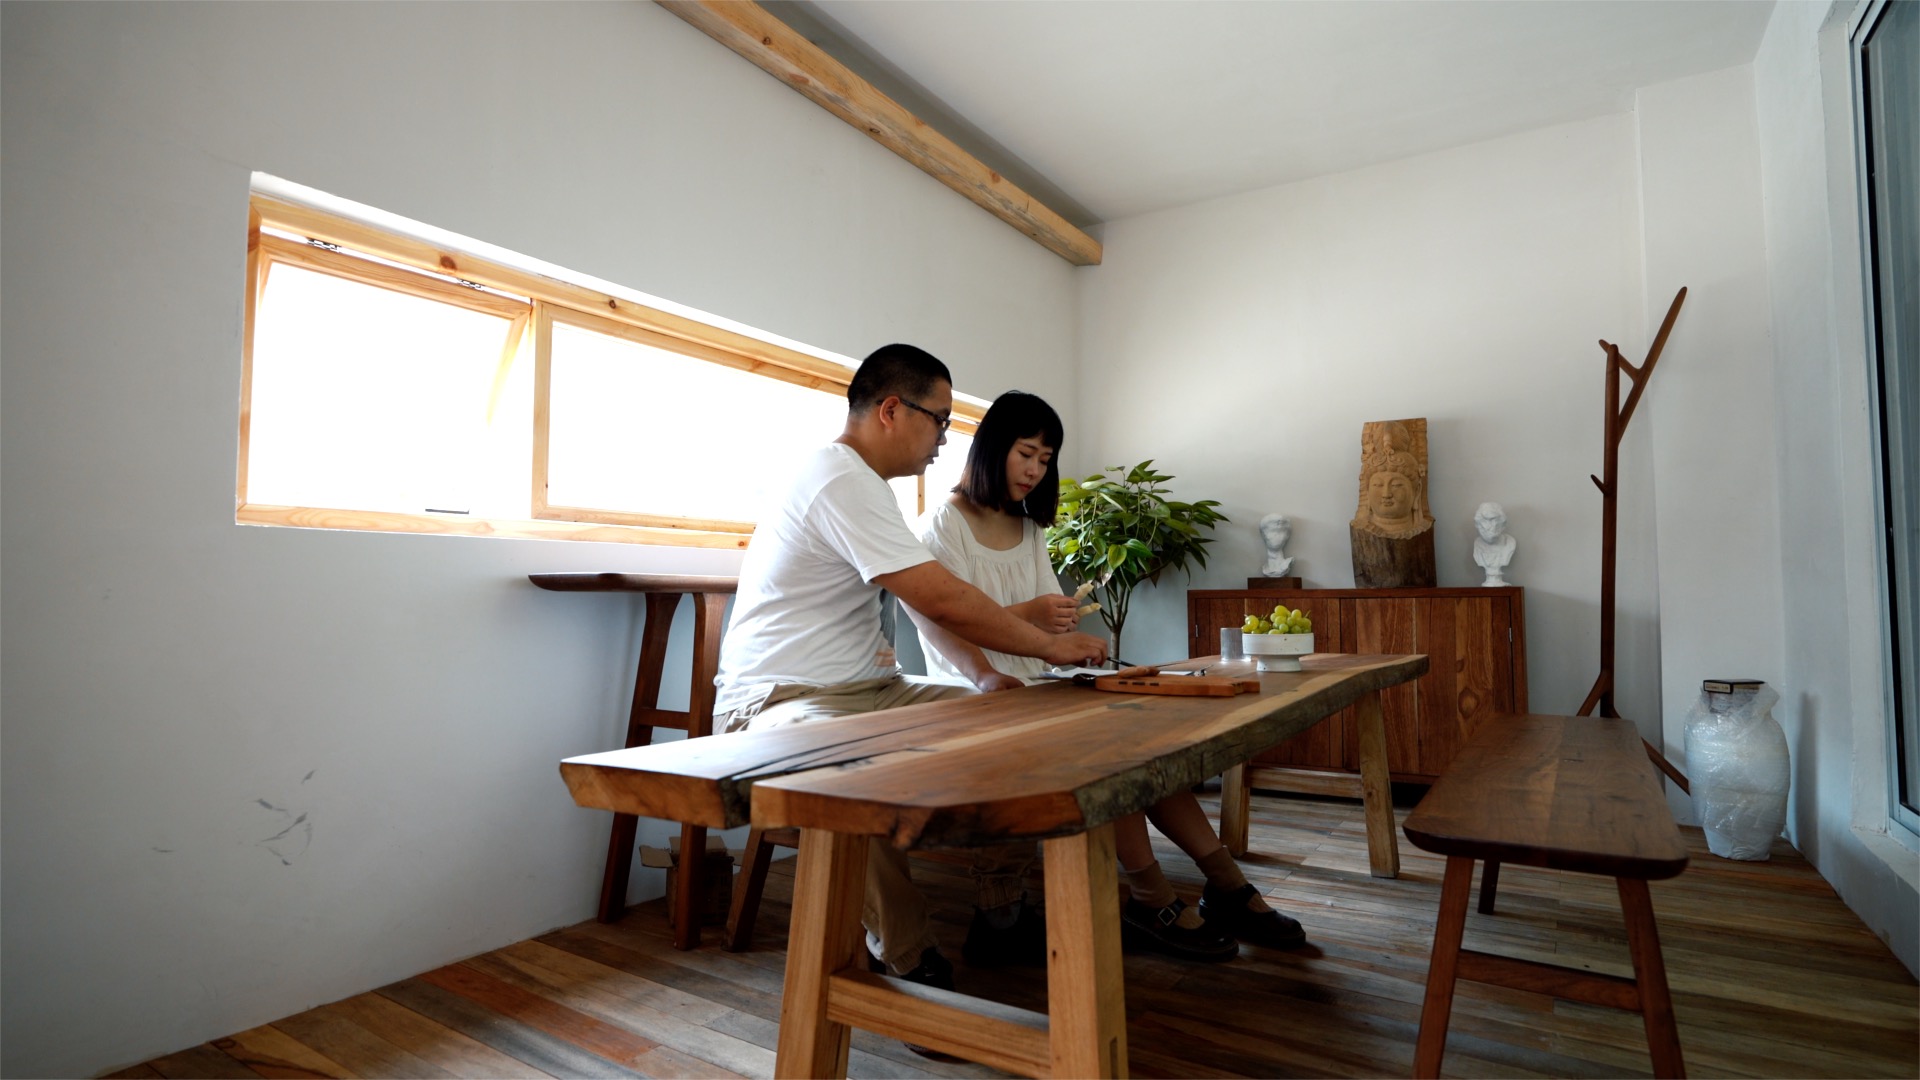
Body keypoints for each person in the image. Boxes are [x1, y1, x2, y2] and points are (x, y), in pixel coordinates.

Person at [714, 346, 1109, 1010]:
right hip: (778, 697)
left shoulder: (866, 487)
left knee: (1017, 718)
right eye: (940, 420)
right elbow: (943, 599)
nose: (943, 441)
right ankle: (905, 951)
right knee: (851, 769)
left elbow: (922, 604)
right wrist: (1049, 645)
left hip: (867, 689)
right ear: (893, 410)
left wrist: (983, 677)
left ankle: (1002, 907)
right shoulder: (836, 477)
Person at [909, 390, 1307, 963]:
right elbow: (946, 623)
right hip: (977, 694)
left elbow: (1041, 633)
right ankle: (1152, 895)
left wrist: (1070, 647)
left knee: (1146, 750)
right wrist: (1035, 626)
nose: (1034, 469)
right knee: (1111, 758)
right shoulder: (943, 523)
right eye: (1026, 453)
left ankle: (1227, 883)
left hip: (1036, 691)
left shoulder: (1028, 529)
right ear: (994, 447)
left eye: (1046, 460)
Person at [1473, 502, 1516, 585]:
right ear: (1478, 525)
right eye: (1485, 521)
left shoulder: (1510, 543)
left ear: (1503, 524)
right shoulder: (1477, 544)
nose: (1490, 526)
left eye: (1494, 520)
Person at [1258, 513, 1294, 578]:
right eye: (1272, 531)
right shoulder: (1265, 568)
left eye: (1280, 531)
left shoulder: (1286, 564)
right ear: (1263, 535)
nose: (1276, 536)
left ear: (1287, 536)